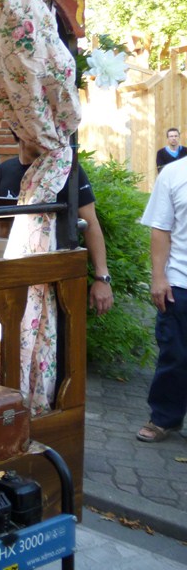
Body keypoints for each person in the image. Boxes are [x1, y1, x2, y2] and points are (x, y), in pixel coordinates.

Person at [0, 129, 113, 315]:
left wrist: (102, 278)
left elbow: (91, 223)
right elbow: (2, 226)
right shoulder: (4, 170)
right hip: (15, 274)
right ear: (19, 130)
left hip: (57, 276)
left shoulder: (67, 170)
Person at [135, 158, 187, 442]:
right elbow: (160, 229)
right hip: (180, 282)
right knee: (175, 356)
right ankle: (164, 418)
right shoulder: (174, 173)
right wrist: (158, 277)